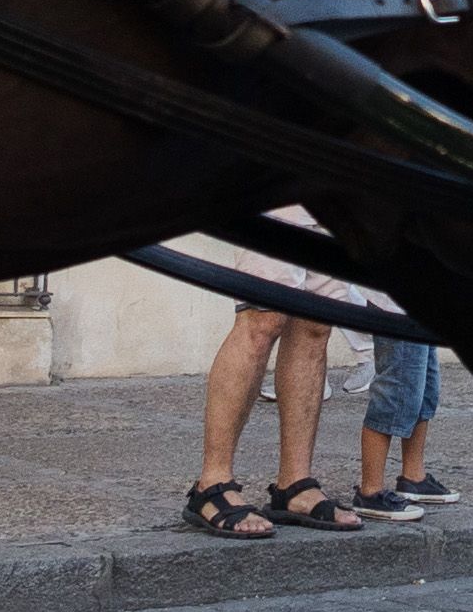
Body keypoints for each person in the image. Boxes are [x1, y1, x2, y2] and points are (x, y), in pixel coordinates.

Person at [184, 209, 363, 537]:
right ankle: (212, 484)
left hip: (338, 193)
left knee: (316, 324)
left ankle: (294, 485)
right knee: (262, 318)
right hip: (277, 189)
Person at [351, 321, 451, 522]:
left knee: (424, 390)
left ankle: (414, 476)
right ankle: (370, 490)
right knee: (394, 391)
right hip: (395, 312)